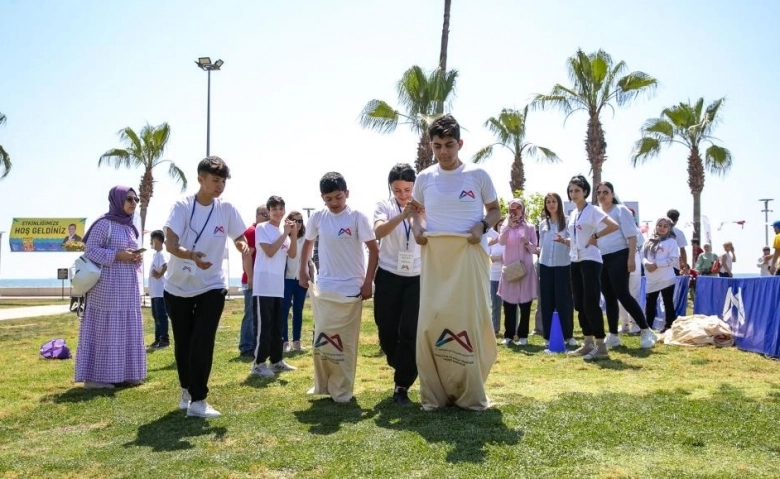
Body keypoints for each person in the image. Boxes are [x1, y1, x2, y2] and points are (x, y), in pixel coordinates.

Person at [410, 114, 500, 410]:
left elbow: (494, 211)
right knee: (432, 321)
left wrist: (482, 228)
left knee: (470, 320)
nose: (444, 152)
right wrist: (418, 228)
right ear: (430, 145)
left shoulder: (478, 174)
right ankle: (434, 394)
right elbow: (415, 211)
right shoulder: (424, 178)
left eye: (449, 145)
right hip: (436, 258)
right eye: (437, 146)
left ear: (460, 143)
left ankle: (470, 391)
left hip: (470, 256)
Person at [163, 156, 249, 418]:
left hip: (213, 284)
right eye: (215, 180)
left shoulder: (227, 209)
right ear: (200, 179)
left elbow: (240, 236)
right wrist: (191, 256)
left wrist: (241, 245)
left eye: (223, 181)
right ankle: (186, 389)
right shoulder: (182, 207)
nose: (219, 186)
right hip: (178, 287)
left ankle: (199, 401)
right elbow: (170, 243)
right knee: (184, 342)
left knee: (203, 339)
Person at [298, 172, 379, 403]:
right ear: (322, 198)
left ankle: (342, 390)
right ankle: (322, 385)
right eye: (328, 198)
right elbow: (307, 243)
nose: (334, 203)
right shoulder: (318, 218)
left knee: (344, 343)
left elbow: (374, 250)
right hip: (325, 287)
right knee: (322, 340)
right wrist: (303, 270)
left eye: (338, 197)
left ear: (347, 194)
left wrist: (367, 282)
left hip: (351, 288)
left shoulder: (357, 217)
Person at [74, 186, 145, 389]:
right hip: (107, 289)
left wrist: (135, 257)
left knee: (126, 330)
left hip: (127, 288)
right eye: (129, 199)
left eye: (136, 199)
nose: (133, 202)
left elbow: (130, 255)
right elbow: (91, 250)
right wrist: (118, 255)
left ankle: (126, 373)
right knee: (106, 331)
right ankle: (96, 378)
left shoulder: (131, 227)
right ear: (117, 200)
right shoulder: (104, 224)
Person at [373, 163, 422, 406]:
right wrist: (403, 215)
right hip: (389, 274)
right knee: (386, 331)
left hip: (417, 276)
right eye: (398, 190)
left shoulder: (426, 206)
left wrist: (419, 215)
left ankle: (401, 385)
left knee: (410, 332)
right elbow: (378, 232)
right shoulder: (384, 206)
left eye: (407, 189)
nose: (403, 195)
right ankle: (401, 364)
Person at [563, 175, 619, 361]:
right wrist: (565, 241)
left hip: (591, 260)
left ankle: (601, 346)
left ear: (585, 192)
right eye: (571, 191)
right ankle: (587, 343)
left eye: (577, 190)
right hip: (575, 260)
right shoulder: (572, 214)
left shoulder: (593, 210)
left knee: (591, 302)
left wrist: (596, 235)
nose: (573, 194)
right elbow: (577, 238)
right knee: (579, 303)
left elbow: (613, 225)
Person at [594, 182, 654, 349]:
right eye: (599, 192)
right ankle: (613, 334)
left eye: (605, 192)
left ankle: (645, 330)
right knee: (609, 297)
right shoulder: (597, 213)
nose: (602, 195)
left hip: (620, 255)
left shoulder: (621, 210)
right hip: (602, 258)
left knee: (623, 294)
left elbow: (632, 237)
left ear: (612, 194)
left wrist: (630, 259)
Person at [249, 196, 299, 378]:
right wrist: (285, 233)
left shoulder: (282, 232)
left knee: (279, 325)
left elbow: (292, 255)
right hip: (264, 285)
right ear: (268, 211)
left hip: (278, 285)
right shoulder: (262, 228)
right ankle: (258, 363)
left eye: (281, 208)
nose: (278, 212)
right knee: (264, 326)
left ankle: (277, 361)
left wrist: (293, 234)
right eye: (274, 209)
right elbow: (269, 252)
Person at [537, 192, 576, 348]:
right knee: (546, 301)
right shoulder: (542, 224)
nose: (551, 204)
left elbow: (574, 243)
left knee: (564, 301)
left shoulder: (568, 222)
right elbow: (541, 246)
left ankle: (568, 335)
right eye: (548, 202)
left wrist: (564, 241)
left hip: (563, 265)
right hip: (545, 265)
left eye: (554, 201)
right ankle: (548, 336)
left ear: (559, 203)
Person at [498, 198, 538, 346]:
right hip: (510, 269)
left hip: (525, 269)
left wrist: (527, 243)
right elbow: (501, 242)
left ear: (523, 209)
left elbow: (535, 248)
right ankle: (508, 335)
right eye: (512, 208)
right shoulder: (505, 226)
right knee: (508, 303)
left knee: (525, 304)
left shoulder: (530, 227)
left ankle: (523, 335)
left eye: (518, 208)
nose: (514, 211)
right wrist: (508, 226)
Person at [238, 205, 269, 357]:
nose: (266, 217)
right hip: (252, 280)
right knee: (250, 314)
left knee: (257, 314)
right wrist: (250, 277)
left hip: (261, 280)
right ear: (257, 215)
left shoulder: (264, 231)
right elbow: (247, 255)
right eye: (264, 214)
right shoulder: (252, 231)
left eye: (267, 214)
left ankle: (254, 345)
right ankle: (246, 346)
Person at [281, 210, 313, 352]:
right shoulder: (284, 238)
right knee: (284, 310)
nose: (298, 223)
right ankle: (284, 342)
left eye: (300, 221)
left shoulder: (307, 238)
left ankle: (297, 341)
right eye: (294, 220)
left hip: (301, 279)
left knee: (298, 310)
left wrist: (310, 275)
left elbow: (310, 260)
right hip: (286, 279)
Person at [642, 217, 680, 333]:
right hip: (651, 278)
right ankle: (647, 328)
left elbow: (673, 259)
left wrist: (657, 265)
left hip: (666, 277)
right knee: (650, 303)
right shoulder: (648, 240)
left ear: (669, 229)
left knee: (667, 302)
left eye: (665, 226)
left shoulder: (672, 242)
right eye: (660, 225)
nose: (662, 228)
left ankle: (669, 326)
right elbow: (642, 255)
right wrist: (647, 263)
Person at [148, 229, 169, 349]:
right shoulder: (156, 254)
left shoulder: (162, 253)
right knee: (156, 316)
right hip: (154, 292)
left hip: (160, 292)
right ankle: (157, 339)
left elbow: (165, 265)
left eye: (151, 240)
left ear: (156, 241)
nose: (150, 243)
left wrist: (159, 275)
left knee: (161, 316)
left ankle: (164, 340)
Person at [487, 222, 504, 336]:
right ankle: (495, 329)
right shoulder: (491, 241)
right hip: (493, 276)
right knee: (496, 304)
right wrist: (499, 257)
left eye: (503, 225)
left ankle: (513, 330)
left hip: (507, 276)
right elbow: (488, 257)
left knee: (510, 304)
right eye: (499, 225)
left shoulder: (508, 240)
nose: (501, 227)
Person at [666, 209, 689, 274]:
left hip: (659, 264)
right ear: (677, 220)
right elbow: (682, 250)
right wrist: (685, 267)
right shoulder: (679, 233)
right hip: (673, 265)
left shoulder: (657, 231)